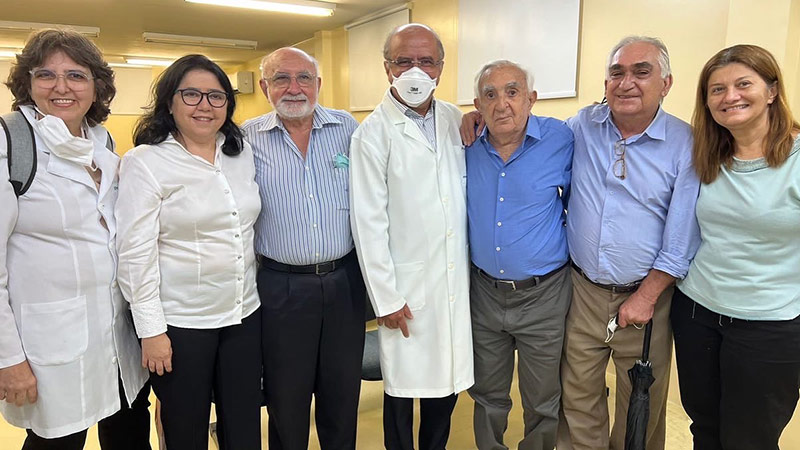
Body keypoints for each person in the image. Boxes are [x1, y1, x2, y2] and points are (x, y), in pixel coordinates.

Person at [0, 29, 151, 449]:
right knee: (58, 441)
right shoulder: (11, 141)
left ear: (96, 85)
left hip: (118, 336)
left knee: (129, 434)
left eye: (76, 75)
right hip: (51, 343)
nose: (62, 87)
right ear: (27, 84)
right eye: (46, 74)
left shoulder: (100, 141)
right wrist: (8, 360)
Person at [558, 36, 700, 450]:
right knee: (577, 396)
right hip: (582, 289)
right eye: (616, 73)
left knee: (642, 404)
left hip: (648, 297)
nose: (627, 83)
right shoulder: (580, 127)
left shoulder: (686, 144)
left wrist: (647, 295)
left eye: (642, 71)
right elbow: (530, 137)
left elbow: (681, 238)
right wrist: (473, 118)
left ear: (666, 83)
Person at [116, 54, 262, 450]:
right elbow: (134, 252)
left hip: (243, 313)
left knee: (244, 423)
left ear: (228, 105)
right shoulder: (145, 163)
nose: (205, 106)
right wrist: (151, 331)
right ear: (169, 102)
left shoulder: (241, 152)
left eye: (216, 96)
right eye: (191, 94)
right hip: (181, 323)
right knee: (185, 429)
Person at [349, 23, 473, 450]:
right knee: (401, 389)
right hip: (403, 286)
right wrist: (385, 297)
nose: (415, 70)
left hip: (452, 280)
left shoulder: (456, 119)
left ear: (440, 68)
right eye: (404, 61)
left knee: (446, 384)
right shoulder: (371, 133)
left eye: (425, 61)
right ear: (388, 69)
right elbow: (368, 222)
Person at [672, 44, 800, 450]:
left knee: (751, 439)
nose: (730, 97)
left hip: (769, 325)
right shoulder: (706, 154)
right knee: (704, 429)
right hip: (697, 312)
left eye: (743, 84)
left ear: (772, 90)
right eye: (717, 89)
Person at [242, 47, 365, 450]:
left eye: (304, 78)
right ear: (264, 86)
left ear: (318, 84)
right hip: (281, 287)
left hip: (345, 282)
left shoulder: (348, 128)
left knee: (342, 396)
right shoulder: (245, 139)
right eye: (281, 78)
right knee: (286, 399)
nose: (294, 88)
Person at [466, 60, 573, 450]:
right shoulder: (464, 146)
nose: (502, 104)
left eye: (512, 92)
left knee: (543, 398)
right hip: (485, 293)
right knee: (487, 394)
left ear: (531, 99)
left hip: (543, 294)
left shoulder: (562, 140)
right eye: (490, 95)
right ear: (478, 104)